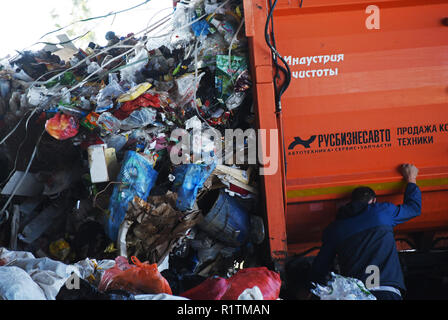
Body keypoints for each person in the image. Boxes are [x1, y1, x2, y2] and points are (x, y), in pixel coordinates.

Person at [309, 163, 421, 300]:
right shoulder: (382, 212)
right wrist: (411, 178)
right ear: (373, 201)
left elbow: (320, 267)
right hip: (387, 292)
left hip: (357, 294)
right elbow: (413, 208)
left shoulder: (335, 229)